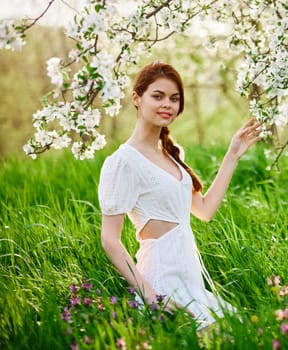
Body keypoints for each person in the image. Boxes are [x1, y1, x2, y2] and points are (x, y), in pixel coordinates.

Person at [97, 61, 262, 329]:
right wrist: (151, 297)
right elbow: (110, 239)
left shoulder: (174, 155)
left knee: (251, 334)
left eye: (174, 99)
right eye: (158, 96)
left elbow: (205, 211)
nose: (167, 105)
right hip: (162, 286)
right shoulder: (123, 162)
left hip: (192, 285)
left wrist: (232, 155)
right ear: (137, 99)